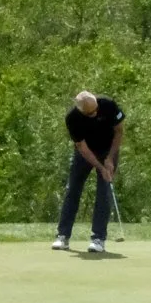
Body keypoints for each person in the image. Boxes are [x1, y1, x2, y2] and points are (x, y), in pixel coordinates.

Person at [53, 89, 124, 254]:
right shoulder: (72, 118)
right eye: (90, 113)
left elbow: (119, 131)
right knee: (72, 190)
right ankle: (63, 236)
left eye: (95, 109)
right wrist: (100, 167)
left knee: (104, 193)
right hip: (85, 153)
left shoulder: (108, 105)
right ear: (81, 111)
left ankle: (98, 239)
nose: (95, 113)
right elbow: (82, 147)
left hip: (108, 150)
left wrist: (110, 159)